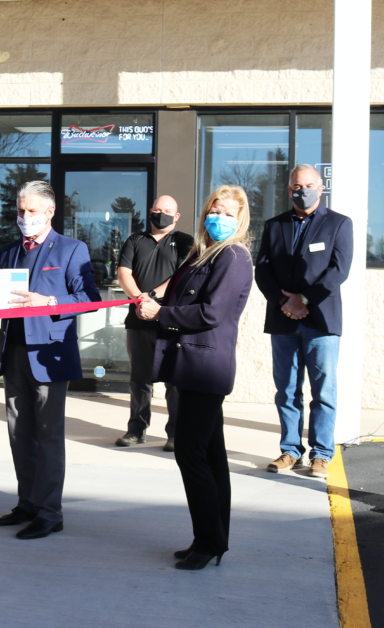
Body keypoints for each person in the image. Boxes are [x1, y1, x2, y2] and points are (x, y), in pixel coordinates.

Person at [138, 185, 254, 571]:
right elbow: (180, 296)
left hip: (205, 368)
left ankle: (208, 542)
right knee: (210, 454)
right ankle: (211, 539)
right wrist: (153, 303)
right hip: (191, 365)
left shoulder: (233, 256)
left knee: (190, 452)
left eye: (228, 213)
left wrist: (161, 314)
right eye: (214, 211)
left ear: (240, 219)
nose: (219, 218)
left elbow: (211, 312)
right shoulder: (205, 253)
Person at [0, 180, 101, 540]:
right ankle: (27, 503)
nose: (25, 217)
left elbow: (89, 298)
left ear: (50, 212)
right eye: (20, 210)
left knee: (48, 435)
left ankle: (50, 513)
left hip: (48, 355)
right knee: (19, 433)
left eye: (32, 211)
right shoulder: (9, 252)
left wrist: (50, 302)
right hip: (13, 352)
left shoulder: (72, 249)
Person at [254, 165, 353, 479]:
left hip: (321, 321)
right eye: (297, 186)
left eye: (309, 185)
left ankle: (321, 455)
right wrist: (284, 302)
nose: (303, 191)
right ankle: (290, 451)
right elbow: (262, 269)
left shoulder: (338, 223)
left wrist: (305, 299)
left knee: (323, 391)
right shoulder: (274, 225)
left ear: (321, 189)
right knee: (286, 390)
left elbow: (339, 270)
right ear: (289, 189)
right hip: (283, 319)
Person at [114, 195, 194, 451]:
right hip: (138, 320)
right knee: (139, 380)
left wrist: (153, 296)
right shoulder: (135, 240)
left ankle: (176, 433)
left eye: (167, 210)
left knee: (175, 381)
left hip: (170, 320)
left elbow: (183, 275)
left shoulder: (185, 242)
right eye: (157, 210)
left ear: (177, 216)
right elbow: (123, 272)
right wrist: (139, 298)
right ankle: (136, 430)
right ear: (150, 212)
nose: (161, 214)